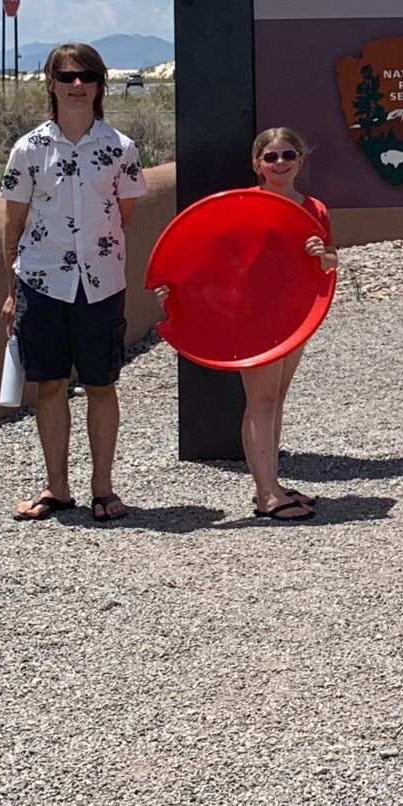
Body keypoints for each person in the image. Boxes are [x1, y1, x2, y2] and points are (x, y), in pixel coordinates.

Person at [0, 43, 146, 522]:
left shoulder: (120, 148)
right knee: (50, 385)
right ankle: (56, 488)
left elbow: (122, 214)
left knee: (102, 384)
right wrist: (11, 291)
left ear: (100, 84)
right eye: (67, 77)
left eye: (87, 76)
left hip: (101, 283)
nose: (77, 85)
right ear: (52, 84)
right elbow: (13, 225)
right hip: (41, 281)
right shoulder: (28, 149)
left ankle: (103, 489)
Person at [161, 126, 338, 522]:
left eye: (288, 155)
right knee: (261, 401)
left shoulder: (314, 208)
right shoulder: (241, 205)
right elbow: (206, 255)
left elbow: (330, 264)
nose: (280, 163)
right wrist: (172, 292)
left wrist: (320, 255)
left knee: (275, 401)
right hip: (251, 319)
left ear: (300, 161)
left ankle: (272, 482)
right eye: (271, 157)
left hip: (294, 316)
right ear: (257, 164)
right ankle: (266, 494)